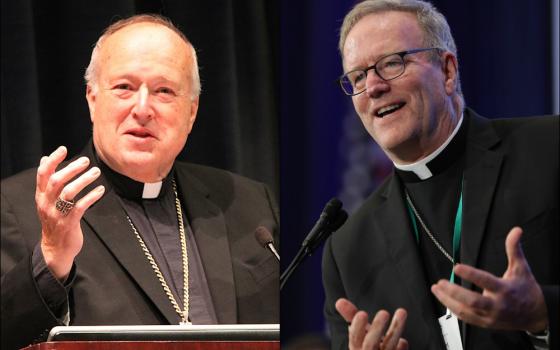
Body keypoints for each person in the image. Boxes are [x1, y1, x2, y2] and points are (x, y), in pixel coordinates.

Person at [1, 14, 279, 350]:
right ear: (92, 99)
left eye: (164, 91)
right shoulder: (19, 206)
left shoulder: (249, 204)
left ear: (191, 112)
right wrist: (50, 258)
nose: (143, 108)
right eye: (124, 87)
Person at [322, 0, 558, 349]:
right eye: (358, 76)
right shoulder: (348, 251)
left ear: (447, 71)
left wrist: (543, 313)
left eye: (392, 63)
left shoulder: (548, 149)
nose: (373, 87)